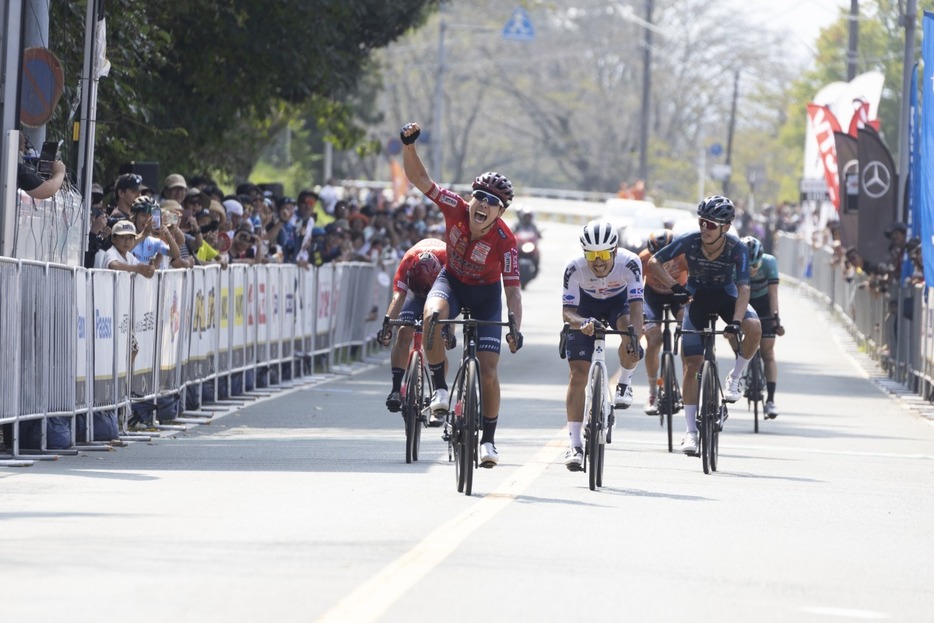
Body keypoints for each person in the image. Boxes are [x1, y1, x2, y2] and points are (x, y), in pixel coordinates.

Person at [400, 121, 523, 469]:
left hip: (486, 296)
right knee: (431, 316)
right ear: (470, 199)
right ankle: (439, 389)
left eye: (493, 203)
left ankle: (489, 440)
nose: (482, 205)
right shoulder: (454, 206)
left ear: (501, 212)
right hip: (451, 281)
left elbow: (513, 291)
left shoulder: (506, 241)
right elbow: (421, 180)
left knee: (488, 372)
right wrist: (409, 146)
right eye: (479, 198)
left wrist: (515, 327)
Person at [647, 195, 761, 456]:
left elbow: (744, 289)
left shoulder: (736, 248)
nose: (705, 229)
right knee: (692, 364)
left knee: (754, 328)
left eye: (712, 225)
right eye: (702, 222)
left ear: (726, 227)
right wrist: (675, 287)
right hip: (696, 297)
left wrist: (735, 322)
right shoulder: (691, 241)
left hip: (727, 296)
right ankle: (690, 432)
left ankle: (735, 376)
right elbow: (654, 262)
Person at [561, 220, 645, 471]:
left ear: (615, 251)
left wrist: (635, 339)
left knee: (629, 334)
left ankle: (625, 383)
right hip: (585, 308)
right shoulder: (573, 268)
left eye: (604, 255)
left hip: (618, 305)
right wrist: (582, 322)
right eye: (592, 255)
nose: (598, 261)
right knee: (577, 375)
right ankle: (574, 445)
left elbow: (637, 307)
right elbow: (567, 313)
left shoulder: (630, 263)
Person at [376, 238, 448, 417]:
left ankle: (439, 391)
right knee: (403, 331)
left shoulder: (449, 260)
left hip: (439, 293)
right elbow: (398, 297)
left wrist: (450, 331)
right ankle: (395, 389)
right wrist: (387, 326)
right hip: (413, 295)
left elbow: (452, 299)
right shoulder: (408, 261)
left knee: (438, 336)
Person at [639, 229, 688, 415]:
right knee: (654, 340)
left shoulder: (682, 257)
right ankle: (652, 392)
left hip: (678, 296)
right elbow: (635, 286)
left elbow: (693, 278)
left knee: (688, 335)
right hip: (653, 298)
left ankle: (686, 386)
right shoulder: (643, 258)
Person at [742, 236, 785, 418]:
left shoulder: (769, 262)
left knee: (768, 352)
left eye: (755, 266)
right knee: (735, 337)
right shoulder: (736, 263)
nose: (752, 270)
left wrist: (776, 321)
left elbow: (773, 295)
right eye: (748, 266)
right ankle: (740, 366)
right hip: (744, 302)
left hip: (764, 303)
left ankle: (771, 401)